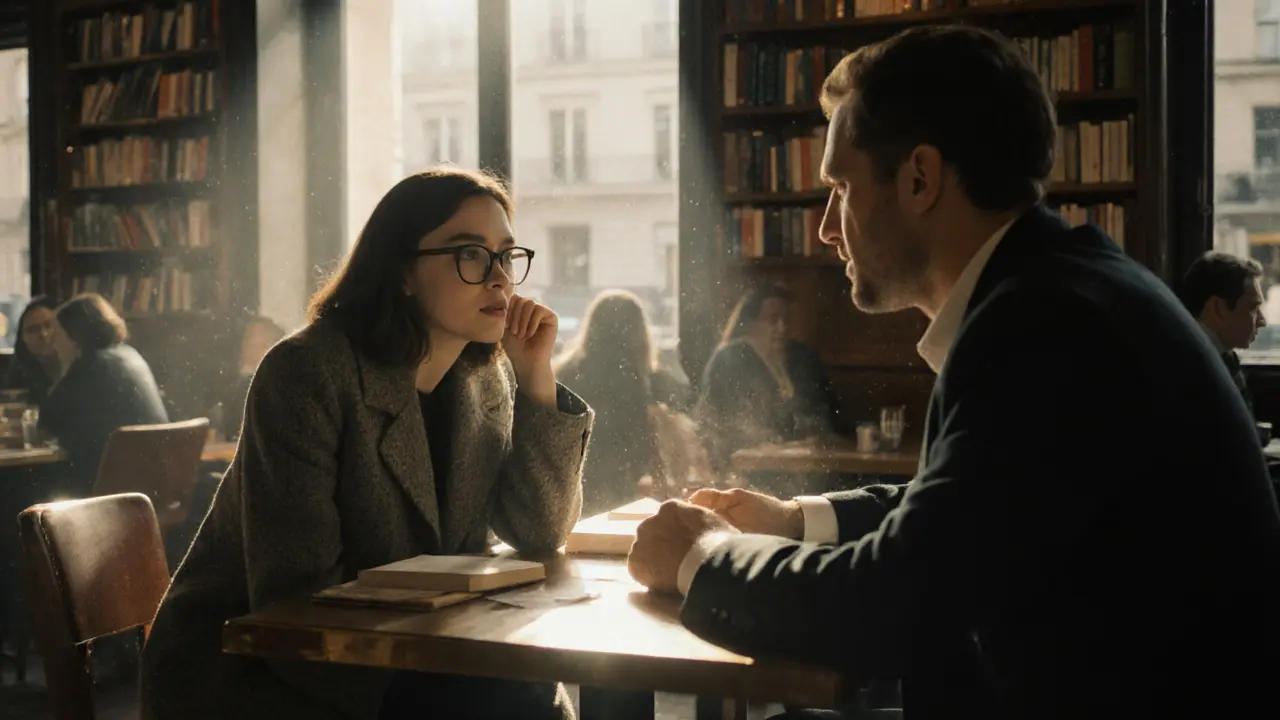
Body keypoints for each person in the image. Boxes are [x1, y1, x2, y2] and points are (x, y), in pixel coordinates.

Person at [628, 25, 1280, 719]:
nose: (825, 228)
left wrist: (704, 556)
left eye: (840, 188)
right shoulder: (1065, 287)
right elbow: (970, 514)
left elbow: (894, 604)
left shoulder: (1042, 326)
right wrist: (796, 519)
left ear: (919, 179)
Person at [140, 169, 593, 720]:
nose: (500, 279)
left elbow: (540, 532)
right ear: (402, 271)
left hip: (415, 649)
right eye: (471, 255)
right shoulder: (308, 372)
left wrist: (536, 379)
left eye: (506, 255)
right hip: (258, 670)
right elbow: (293, 597)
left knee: (527, 686)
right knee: (517, 696)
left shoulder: (485, 380)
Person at [553, 289, 690, 515]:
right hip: (618, 481)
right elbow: (640, 438)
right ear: (638, 333)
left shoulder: (567, 372)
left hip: (570, 479)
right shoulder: (635, 379)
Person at [697, 284, 840, 470]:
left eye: (786, 320)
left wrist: (815, 430)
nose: (782, 328)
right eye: (772, 320)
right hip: (743, 467)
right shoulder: (729, 359)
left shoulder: (803, 356)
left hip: (803, 464)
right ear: (749, 323)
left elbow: (827, 410)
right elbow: (720, 422)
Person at [40, 293, 168, 495]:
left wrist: (67, 365)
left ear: (73, 336)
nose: (53, 343)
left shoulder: (90, 364)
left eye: (57, 333)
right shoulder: (131, 355)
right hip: (151, 488)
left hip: (107, 494)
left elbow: (46, 421)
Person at [1178, 250, 1267, 416]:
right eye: (1253, 308)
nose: (1262, 321)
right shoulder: (1192, 374)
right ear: (1218, 309)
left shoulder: (1221, 357)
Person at [4, 296, 61, 405]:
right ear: (23, 339)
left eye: (49, 325)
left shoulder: (81, 368)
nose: (43, 334)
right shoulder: (18, 375)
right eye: (33, 330)